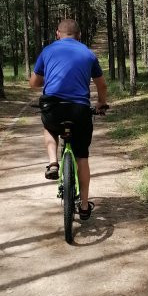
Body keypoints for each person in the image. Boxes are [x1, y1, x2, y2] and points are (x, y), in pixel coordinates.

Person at [29, 19, 108, 220]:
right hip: (80, 110)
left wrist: (54, 77)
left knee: (49, 127)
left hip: (53, 106)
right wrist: (101, 103)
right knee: (82, 156)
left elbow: (34, 83)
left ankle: (53, 162)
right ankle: (83, 205)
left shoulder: (48, 51)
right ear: (79, 35)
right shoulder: (88, 54)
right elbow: (102, 86)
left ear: (58, 34)